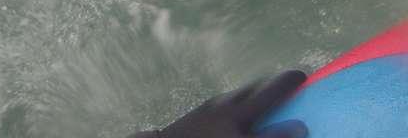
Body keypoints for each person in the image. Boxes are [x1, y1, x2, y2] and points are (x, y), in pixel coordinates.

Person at [131, 71, 308, 138]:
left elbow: (298, 129)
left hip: (218, 117)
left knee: (293, 78)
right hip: (213, 112)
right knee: (294, 77)